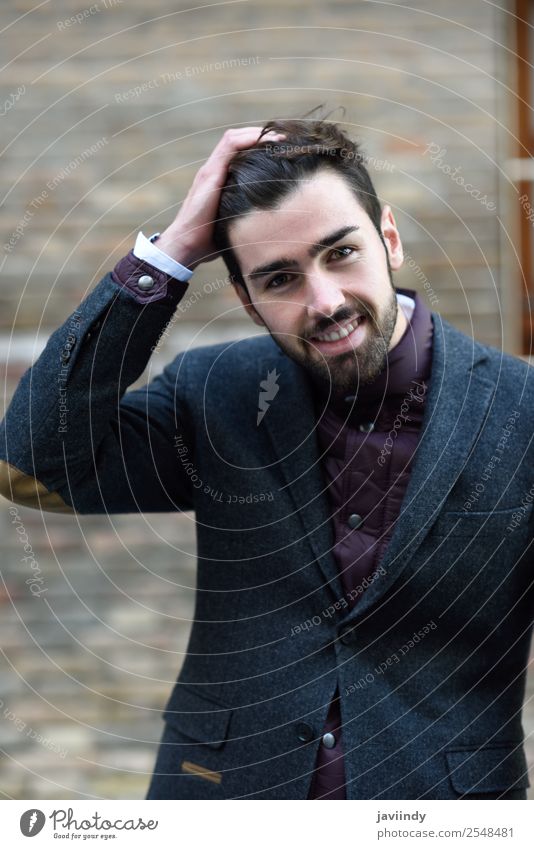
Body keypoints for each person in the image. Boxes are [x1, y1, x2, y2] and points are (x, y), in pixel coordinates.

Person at [1, 116, 533, 800]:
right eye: (281, 279)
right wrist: (168, 257)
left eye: (341, 253)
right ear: (250, 304)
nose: (325, 301)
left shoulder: (521, 411)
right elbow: (33, 462)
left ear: (389, 238)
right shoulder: (214, 393)